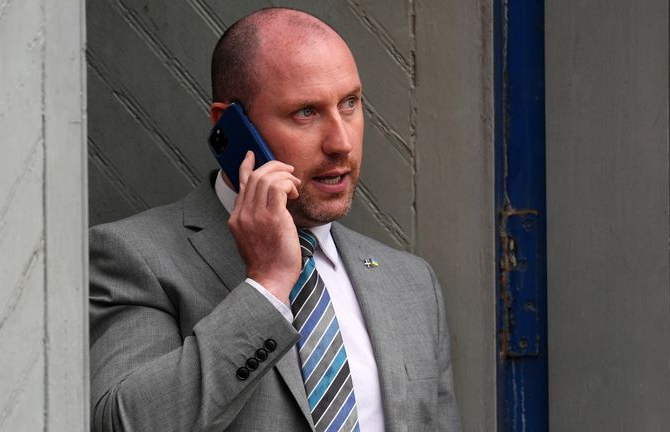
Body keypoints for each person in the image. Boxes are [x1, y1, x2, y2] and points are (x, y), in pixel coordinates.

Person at [89, 7, 460, 432]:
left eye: (350, 104)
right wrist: (266, 285)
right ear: (229, 124)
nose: (341, 142)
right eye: (305, 112)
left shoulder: (410, 284)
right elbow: (124, 423)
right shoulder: (134, 258)